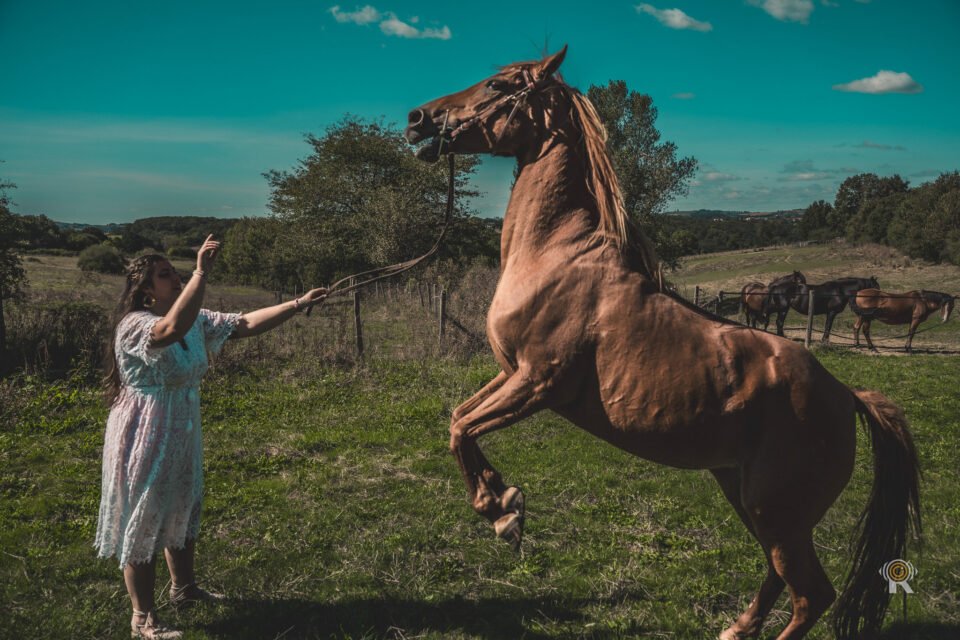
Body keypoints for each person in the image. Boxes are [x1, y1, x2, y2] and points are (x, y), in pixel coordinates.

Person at [94, 235, 327, 639]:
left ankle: (184, 589)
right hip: (144, 429)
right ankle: (142, 618)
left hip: (180, 423)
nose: (176, 278)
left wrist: (297, 304)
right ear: (146, 291)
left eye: (176, 271)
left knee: (183, 505)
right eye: (165, 275)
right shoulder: (135, 325)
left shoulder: (195, 320)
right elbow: (169, 329)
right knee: (144, 518)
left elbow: (244, 323)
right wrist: (200, 273)